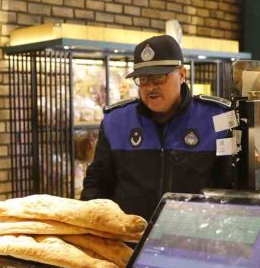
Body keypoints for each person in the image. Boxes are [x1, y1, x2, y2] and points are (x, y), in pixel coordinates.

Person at [80, 35, 234, 220]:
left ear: (182, 75)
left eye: (159, 77)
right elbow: (97, 185)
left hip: (194, 234)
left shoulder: (218, 119)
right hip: (129, 235)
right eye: (143, 79)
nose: (150, 87)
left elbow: (230, 187)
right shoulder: (116, 121)